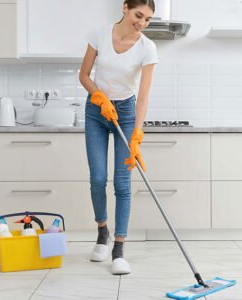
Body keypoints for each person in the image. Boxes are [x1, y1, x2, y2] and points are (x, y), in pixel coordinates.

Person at [79, 0, 158, 275]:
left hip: (125, 112)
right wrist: (98, 96)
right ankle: (102, 233)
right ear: (125, 7)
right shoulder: (99, 33)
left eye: (148, 19)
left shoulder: (148, 48)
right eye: (139, 15)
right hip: (96, 111)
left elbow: (144, 95)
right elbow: (84, 75)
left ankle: (119, 249)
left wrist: (137, 132)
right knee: (98, 178)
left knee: (122, 183)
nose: (142, 23)